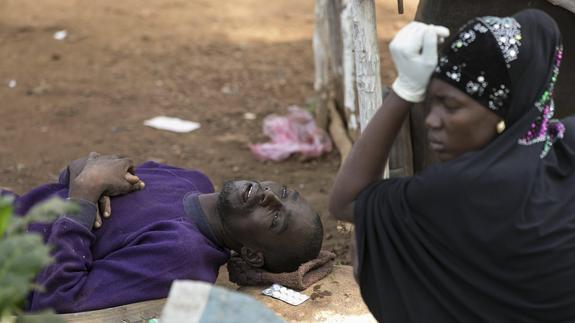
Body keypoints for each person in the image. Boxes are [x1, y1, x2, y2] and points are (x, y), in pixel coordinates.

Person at [329, 9, 575, 322]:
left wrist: (405, 90)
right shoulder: (566, 145)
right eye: (431, 102)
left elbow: (347, 200)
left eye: (451, 106)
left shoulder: (459, 188)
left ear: (503, 114)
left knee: (378, 231)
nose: (431, 120)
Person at [3, 153, 323, 313]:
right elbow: (78, 181)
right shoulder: (191, 180)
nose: (269, 197)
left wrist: (84, 197)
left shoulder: (182, 257)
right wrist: (82, 171)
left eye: (275, 219)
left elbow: (58, 300)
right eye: (283, 191)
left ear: (253, 254)